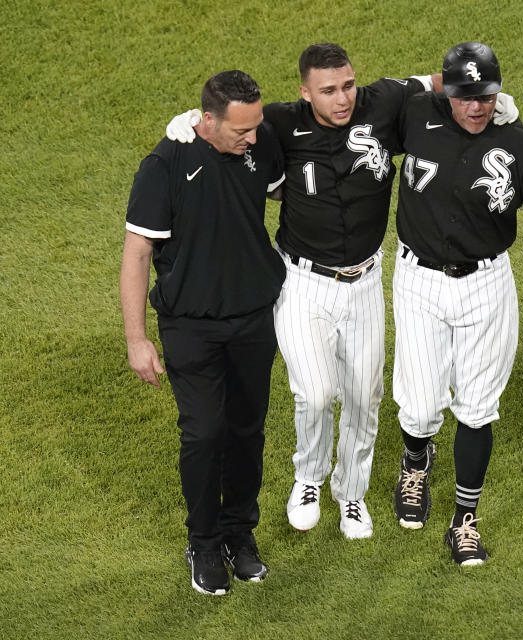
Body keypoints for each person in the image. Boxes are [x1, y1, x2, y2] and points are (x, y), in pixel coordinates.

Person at [165, 44, 519, 540]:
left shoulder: (385, 101)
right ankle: (308, 478)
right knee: (315, 391)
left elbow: (439, 81)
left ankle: (351, 494)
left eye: (348, 85)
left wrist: (496, 99)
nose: (343, 98)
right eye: (328, 90)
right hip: (303, 281)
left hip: (365, 282)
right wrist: (187, 123)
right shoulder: (280, 124)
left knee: (363, 395)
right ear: (305, 92)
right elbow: (227, 125)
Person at [390, 41, 523, 566]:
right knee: (417, 405)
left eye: (486, 95)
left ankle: (464, 519)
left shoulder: (519, 144)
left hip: (486, 285)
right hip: (418, 280)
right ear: (447, 91)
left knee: (478, 408)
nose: (477, 107)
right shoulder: (415, 114)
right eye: (465, 96)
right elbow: (355, 107)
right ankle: (416, 459)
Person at [121, 70, 285, 595]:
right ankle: (204, 540)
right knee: (204, 432)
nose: (252, 139)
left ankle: (240, 534)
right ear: (206, 121)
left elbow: (307, 133)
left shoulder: (258, 144)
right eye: (241, 130)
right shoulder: (165, 164)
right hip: (191, 325)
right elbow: (138, 254)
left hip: (254, 319)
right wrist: (136, 339)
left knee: (247, 429)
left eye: (256, 127)